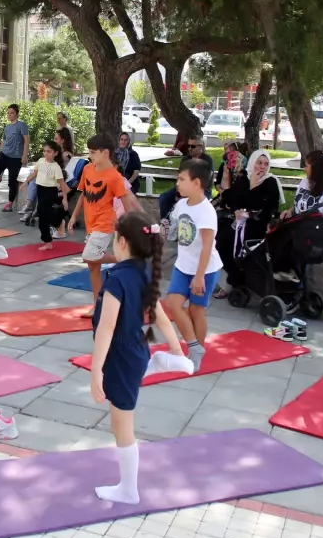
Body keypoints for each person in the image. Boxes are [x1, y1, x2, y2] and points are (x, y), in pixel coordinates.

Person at [89, 210, 192, 504]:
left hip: (121, 357)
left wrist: (96, 371)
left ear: (122, 242)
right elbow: (160, 315)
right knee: (123, 411)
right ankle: (157, 362)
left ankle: (128, 490)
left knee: (122, 426)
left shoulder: (116, 280)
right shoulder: (142, 274)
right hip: (136, 351)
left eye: (113, 240)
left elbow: (106, 329)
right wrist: (175, 348)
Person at [69, 134, 143, 310]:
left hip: (105, 224)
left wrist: (129, 230)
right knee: (93, 267)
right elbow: (84, 194)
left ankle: (123, 260)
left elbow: (127, 204)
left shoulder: (115, 177)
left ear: (105, 153)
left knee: (89, 256)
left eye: (93, 152)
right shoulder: (87, 169)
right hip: (90, 224)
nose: (90, 155)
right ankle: (97, 305)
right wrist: (73, 216)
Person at [165, 158, 222, 361]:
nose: (177, 183)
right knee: (173, 303)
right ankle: (194, 346)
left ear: (197, 183)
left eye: (181, 179)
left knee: (196, 310)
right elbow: (172, 229)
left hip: (204, 269)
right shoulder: (181, 204)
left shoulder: (207, 211)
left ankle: (196, 354)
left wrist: (199, 277)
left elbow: (207, 247)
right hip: (183, 266)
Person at [216, 149, 282, 295]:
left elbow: (270, 209)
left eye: (266, 164)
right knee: (219, 238)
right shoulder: (244, 178)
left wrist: (253, 188)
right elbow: (232, 199)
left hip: (257, 225)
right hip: (239, 222)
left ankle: (235, 282)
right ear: (253, 162)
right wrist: (236, 210)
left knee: (231, 241)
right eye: (259, 162)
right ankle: (231, 279)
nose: (262, 167)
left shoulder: (270, 182)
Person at [286, 150, 323, 251]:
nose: (304, 169)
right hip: (302, 229)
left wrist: (305, 230)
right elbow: (301, 204)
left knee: (295, 242)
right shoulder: (305, 182)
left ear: (316, 169)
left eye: (307, 166)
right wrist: (290, 210)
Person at [21, 140, 67, 249]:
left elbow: (62, 184)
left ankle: (59, 221)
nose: (46, 154)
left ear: (55, 153)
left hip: (50, 191)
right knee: (42, 216)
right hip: (40, 189)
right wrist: (26, 181)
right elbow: (35, 173)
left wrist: (65, 198)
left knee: (42, 210)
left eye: (49, 151)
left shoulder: (56, 167)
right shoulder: (41, 161)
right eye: (44, 151)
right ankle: (47, 241)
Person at [0, 104, 29, 211]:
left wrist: (24, 156)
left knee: (12, 181)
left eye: (11, 113)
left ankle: (10, 203)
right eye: (8, 113)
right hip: (4, 154)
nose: (9, 115)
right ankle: (0, 173)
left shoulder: (22, 125)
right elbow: (4, 141)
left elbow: (26, 140)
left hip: (16, 158)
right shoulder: (7, 127)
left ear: (16, 114)